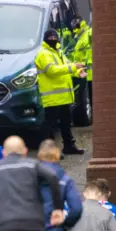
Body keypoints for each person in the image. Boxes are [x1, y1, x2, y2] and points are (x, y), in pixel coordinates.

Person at [35, 28, 86, 156]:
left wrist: (78, 71)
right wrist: (73, 67)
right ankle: (48, 150)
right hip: (52, 96)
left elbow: (67, 64)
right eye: (50, 38)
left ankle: (69, 146)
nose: (53, 40)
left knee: (66, 123)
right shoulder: (43, 54)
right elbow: (52, 70)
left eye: (54, 37)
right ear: (45, 40)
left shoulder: (59, 51)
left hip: (64, 96)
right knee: (50, 124)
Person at [70, 16, 93, 116]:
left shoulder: (88, 33)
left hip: (91, 74)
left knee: (92, 100)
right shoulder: (79, 38)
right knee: (89, 100)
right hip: (84, 74)